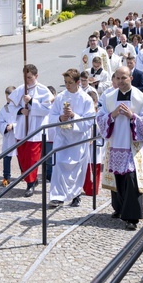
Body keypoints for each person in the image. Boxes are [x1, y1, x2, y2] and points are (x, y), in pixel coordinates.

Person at [97, 66, 143, 230]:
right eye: (118, 78)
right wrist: (112, 115)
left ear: (131, 77)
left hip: (132, 145)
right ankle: (120, 208)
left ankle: (132, 217)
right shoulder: (109, 97)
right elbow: (100, 118)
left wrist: (132, 116)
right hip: (115, 143)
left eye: (124, 78)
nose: (121, 81)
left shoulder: (141, 98)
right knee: (118, 178)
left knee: (131, 179)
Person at [48, 69, 95, 208]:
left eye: (70, 83)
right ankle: (57, 197)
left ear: (77, 82)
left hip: (78, 139)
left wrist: (74, 116)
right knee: (59, 165)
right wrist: (60, 118)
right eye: (65, 82)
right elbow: (51, 115)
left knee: (77, 169)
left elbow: (89, 120)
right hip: (63, 137)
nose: (67, 85)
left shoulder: (86, 99)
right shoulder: (61, 97)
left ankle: (76, 195)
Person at [9, 64, 53, 197]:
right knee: (22, 156)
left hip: (35, 129)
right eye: (25, 77)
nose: (27, 80)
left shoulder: (43, 90)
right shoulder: (21, 89)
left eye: (29, 77)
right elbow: (9, 107)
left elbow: (47, 110)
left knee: (32, 158)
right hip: (22, 127)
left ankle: (30, 184)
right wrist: (21, 111)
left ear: (36, 76)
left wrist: (32, 102)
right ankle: (31, 179)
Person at [0, 85, 16, 186]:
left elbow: (23, 121)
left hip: (18, 135)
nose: (9, 100)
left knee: (21, 156)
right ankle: (6, 177)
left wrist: (14, 126)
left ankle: (25, 173)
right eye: (7, 97)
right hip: (8, 137)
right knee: (7, 157)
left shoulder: (19, 107)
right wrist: (5, 126)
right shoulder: (4, 109)